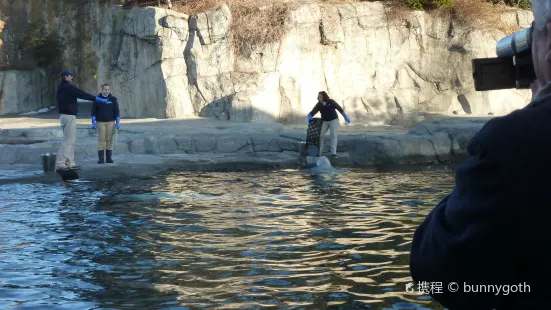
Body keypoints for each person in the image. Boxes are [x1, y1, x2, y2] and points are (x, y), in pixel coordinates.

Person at [409, 2, 551, 308]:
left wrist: (536, 112)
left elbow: (441, 274)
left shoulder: (514, 142)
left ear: (549, 40)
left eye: (535, 33)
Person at [55, 69, 109, 170]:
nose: (72, 77)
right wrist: (97, 99)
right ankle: (60, 163)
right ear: (66, 77)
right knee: (68, 140)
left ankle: (69, 162)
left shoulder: (61, 87)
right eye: (70, 76)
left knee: (71, 140)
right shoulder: (68, 87)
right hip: (68, 116)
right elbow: (82, 94)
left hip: (65, 116)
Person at [307, 91, 351, 158]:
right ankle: (319, 152)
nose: (319, 98)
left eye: (321, 97)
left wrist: (345, 116)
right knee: (320, 135)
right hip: (325, 121)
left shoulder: (331, 102)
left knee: (333, 135)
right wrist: (310, 116)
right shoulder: (319, 104)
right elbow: (313, 111)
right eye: (319, 97)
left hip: (333, 120)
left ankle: (333, 153)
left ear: (324, 96)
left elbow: (339, 108)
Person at [91, 83, 120, 164]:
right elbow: (93, 111)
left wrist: (117, 121)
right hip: (100, 122)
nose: (107, 91)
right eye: (105, 89)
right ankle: (100, 159)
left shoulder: (113, 99)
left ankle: (108, 158)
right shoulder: (97, 99)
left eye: (108, 89)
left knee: (109, 140)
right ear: (102, 90)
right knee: (101, 140)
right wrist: (93, 121)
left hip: (111, 122)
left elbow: (116, 111)